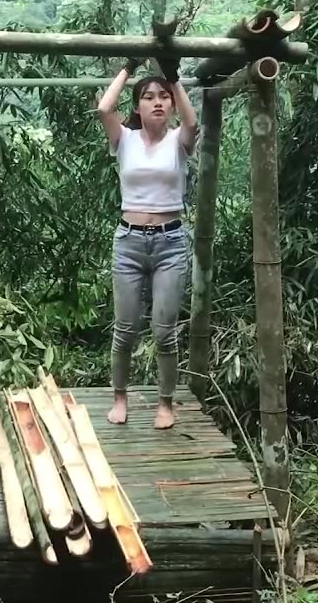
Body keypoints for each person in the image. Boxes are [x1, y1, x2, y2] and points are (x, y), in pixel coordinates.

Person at [96, 53, 197, 429]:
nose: (157, 101)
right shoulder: (125, 139)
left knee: (164, 330)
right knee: (125, 327)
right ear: (137, 107)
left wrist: (175, 77)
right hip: (130, 242)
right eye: (149, 96)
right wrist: (128, 66)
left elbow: (193, 121)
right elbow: (106, 107)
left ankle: (165, 404)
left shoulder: (178, 140)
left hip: (171, 242)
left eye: (164, 96)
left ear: (171, 103)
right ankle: (119, 397)